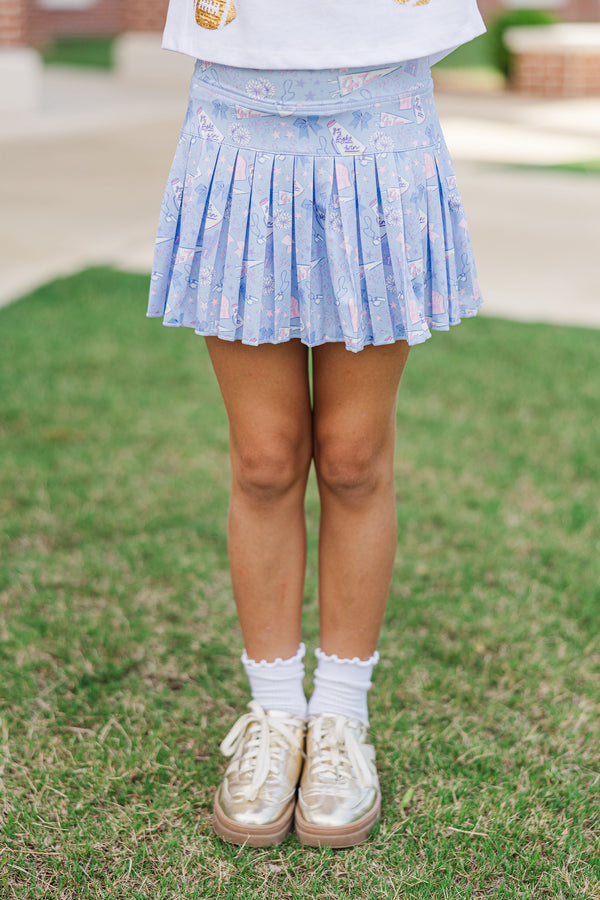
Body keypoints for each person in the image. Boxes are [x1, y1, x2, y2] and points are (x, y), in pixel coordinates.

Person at [147, 0, 485, 849]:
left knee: (353, 458)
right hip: (238, 110)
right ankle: (273, 715)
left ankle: (337, 717)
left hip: (383, 112)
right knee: (264, 461)